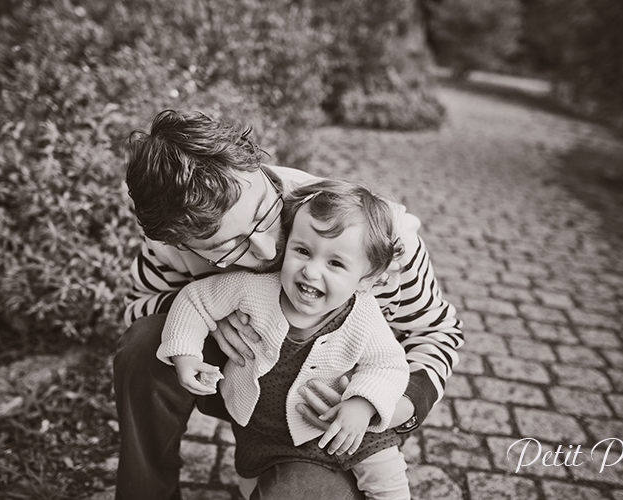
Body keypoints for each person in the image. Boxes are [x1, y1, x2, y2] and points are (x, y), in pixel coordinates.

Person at [115, 109, 464, 500]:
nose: (265, 249)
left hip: (326, 417)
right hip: (236, 382)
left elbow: (436, 332)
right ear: (181, 243)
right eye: (225, 249)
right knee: (147, 343)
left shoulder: (376, 236)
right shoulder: (169, 242)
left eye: (265, 215)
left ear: (257, 165)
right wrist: (209, 318)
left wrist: (393, 408)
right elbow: (135, 310)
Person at [159, 180, 412, 499]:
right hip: (263, 436)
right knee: (254, 490)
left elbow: (388, 365)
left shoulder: (363, 314)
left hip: (348, 431)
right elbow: (195, 299)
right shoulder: (254, 290)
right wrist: (186, 355)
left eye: (335, 263)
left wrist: (362, 405)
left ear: (368, 278)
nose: (311, 271)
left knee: (386, 482)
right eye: (303, 251)